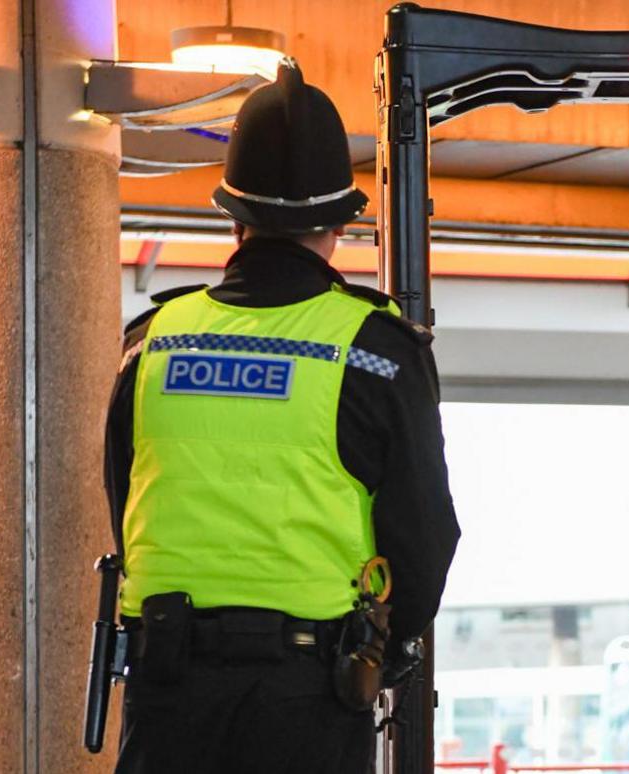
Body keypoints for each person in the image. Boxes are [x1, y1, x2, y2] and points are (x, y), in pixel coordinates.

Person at [102, 60, 459, 773]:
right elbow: (423, 534)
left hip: (168, 687)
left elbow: (125, 496)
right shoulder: (376, 350)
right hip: (312, 696)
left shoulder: (151, 342)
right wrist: (381, 651)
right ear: (338, 221)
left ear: (233, 214)